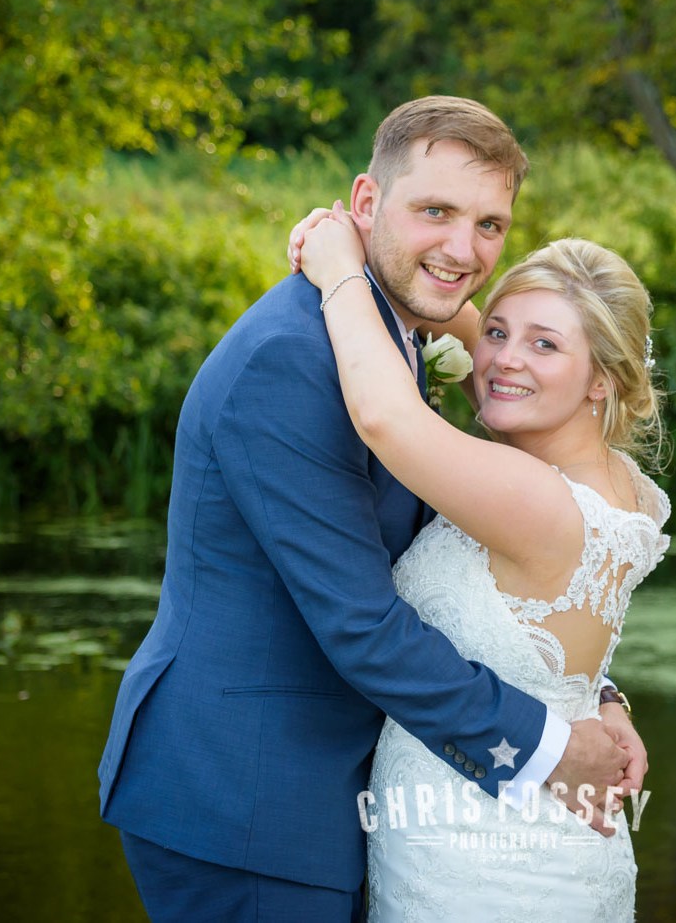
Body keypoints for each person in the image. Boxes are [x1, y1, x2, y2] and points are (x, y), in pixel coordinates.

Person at [97, 96, 643, 922]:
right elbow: (359, 622)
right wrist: (547, 748)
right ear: (365, 204)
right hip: (246, 799)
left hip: (349, 800)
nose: (463, 249)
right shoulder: (293, 358)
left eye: (490, 224)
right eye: (435, 211)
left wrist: (592, 695)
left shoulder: (391, 340)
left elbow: (506, 597)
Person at [295, 207, 671, 920]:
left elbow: (382, 415)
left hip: (484, 862)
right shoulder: (609, 481)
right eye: (501, 333)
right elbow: (466, 324)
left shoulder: (532, 498)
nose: (503, 360)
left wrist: (338, 262)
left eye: (545, 345)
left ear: (601, 381)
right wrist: (404, 243)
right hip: (521, 826)